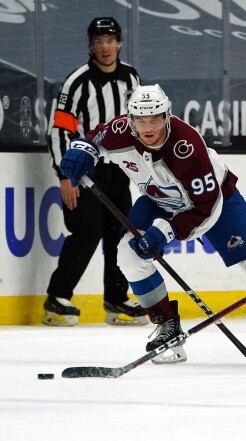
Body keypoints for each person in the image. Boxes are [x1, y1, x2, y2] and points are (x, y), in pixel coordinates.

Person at [57, 84, 246, 365]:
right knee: (128, 253)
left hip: (217, 203)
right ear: (130, 119)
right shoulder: (122, 130)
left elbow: (205, 208)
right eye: (140, 120)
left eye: (155, 119)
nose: (148, 127)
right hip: (158, 200)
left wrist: (166, 231)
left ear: (167, 116)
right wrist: (84, 149)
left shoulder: (186, 147)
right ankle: (167, 325)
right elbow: (96, 138)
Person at [44, 17, 147, 327]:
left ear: (119, 43)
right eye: (99, 41)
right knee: (87, 231)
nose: (105, 47)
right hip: (84, 172)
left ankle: (116, 299)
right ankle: (57, 298)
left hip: (118, 172)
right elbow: (59, 131)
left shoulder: (131, 78)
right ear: (90, 45)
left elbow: (140, 124)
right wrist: (66, 176)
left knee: (123, 235)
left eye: (111, 40)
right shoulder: (77, 82)